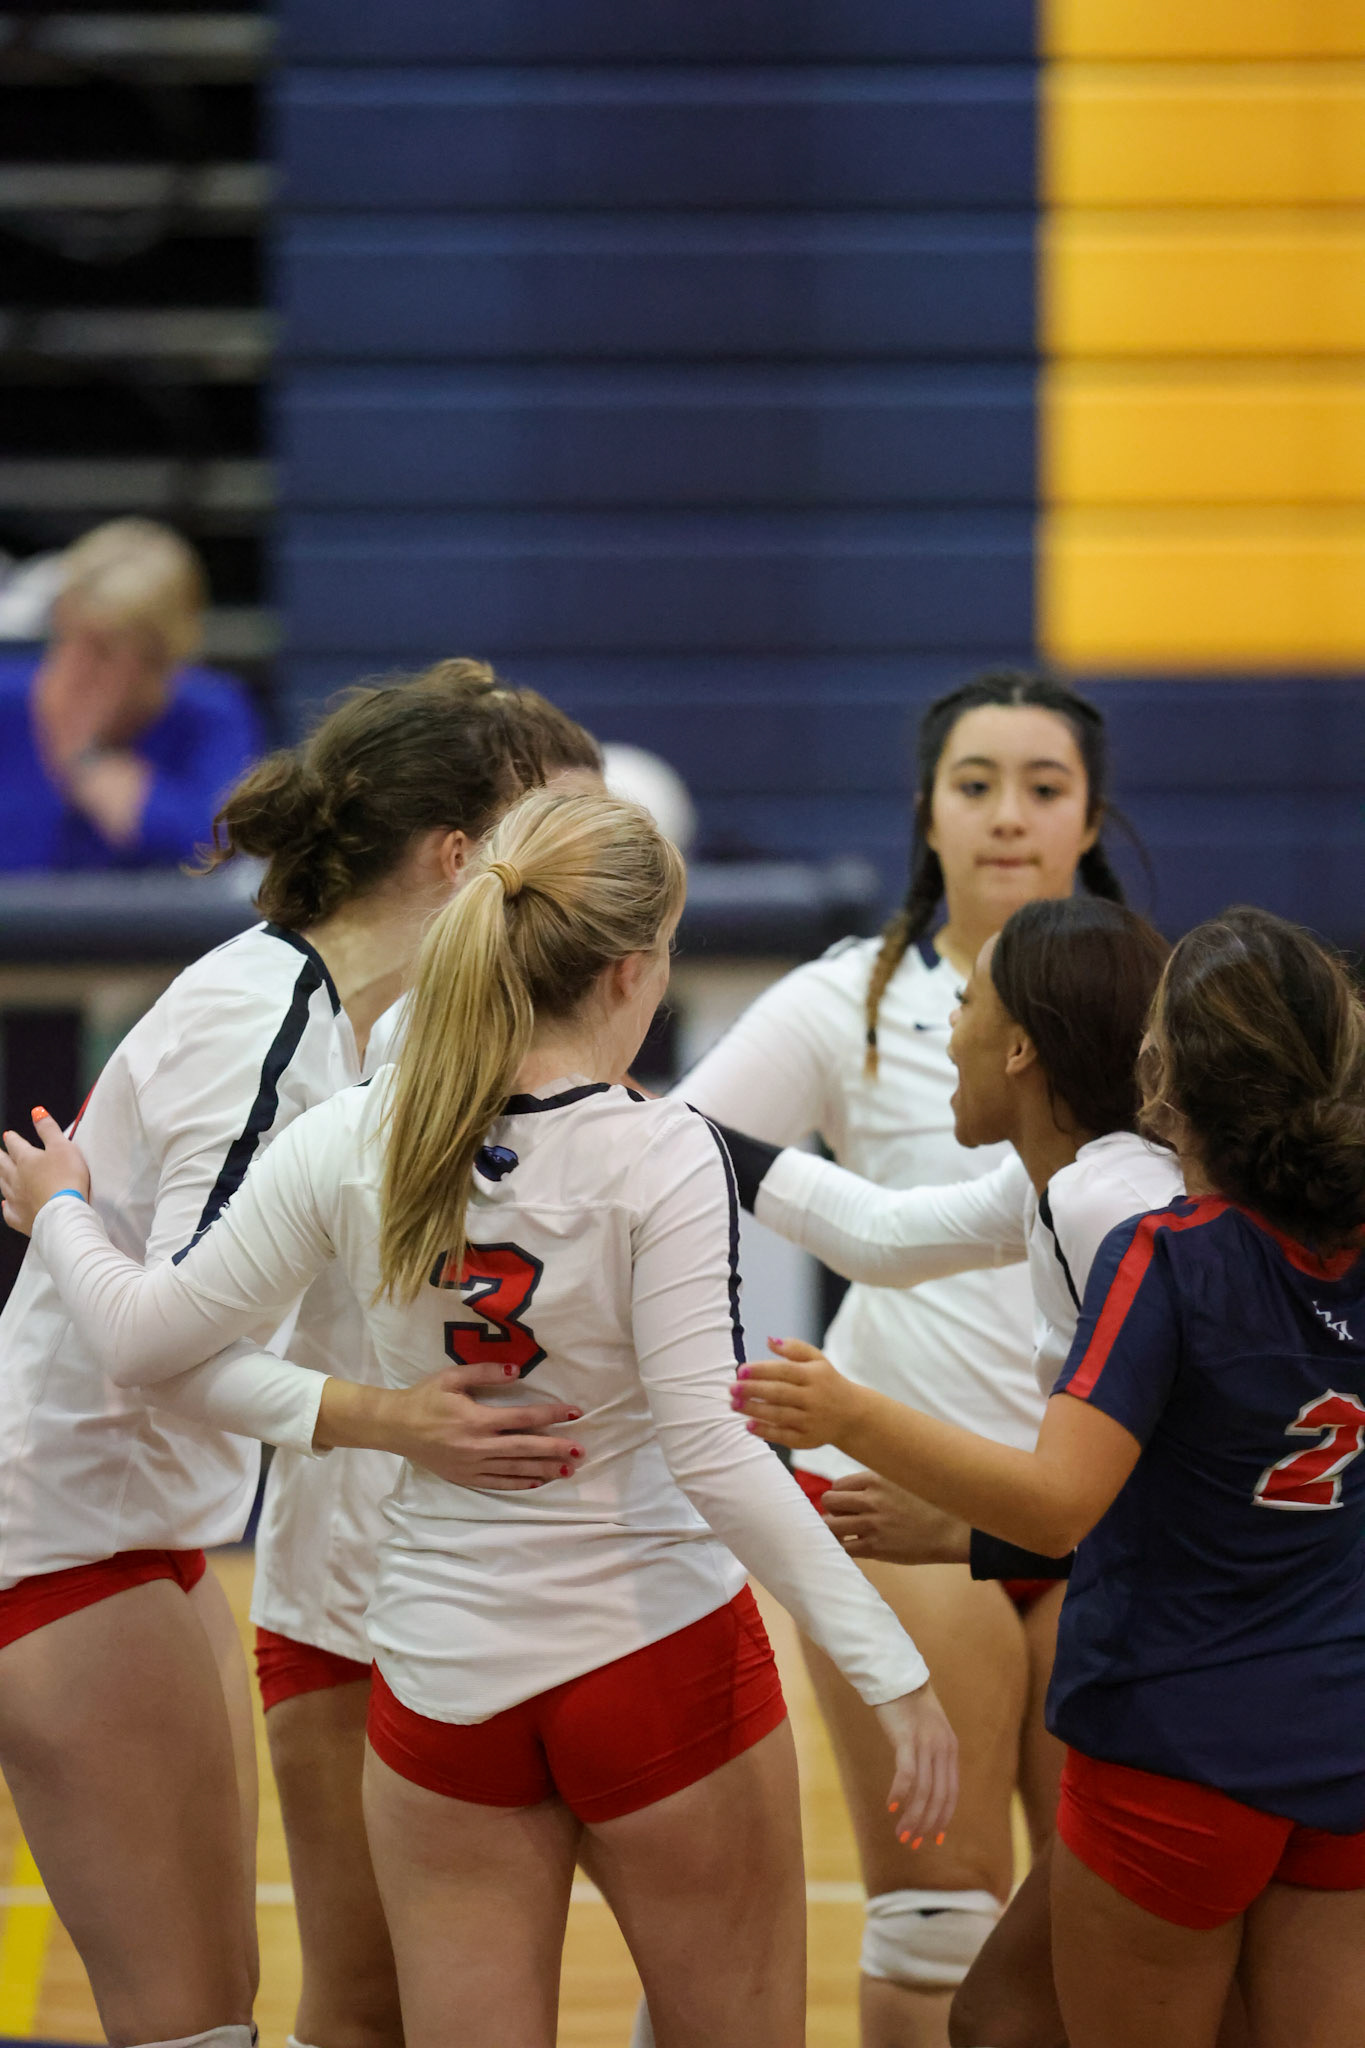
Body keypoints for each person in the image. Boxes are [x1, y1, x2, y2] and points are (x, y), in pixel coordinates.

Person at [5, 787, 960, 2048]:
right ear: (634, 970)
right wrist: (892, 1669)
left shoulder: (357, 1131)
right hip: (653, 1649)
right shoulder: (663, 1148)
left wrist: (64, 1207)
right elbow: (716, 1453)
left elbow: (144, 1338)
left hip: (441, 1680)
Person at [0, 663, 597, 2048]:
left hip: (144, 1528)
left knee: (216, 2016)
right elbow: (155, 1341)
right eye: (521, 856)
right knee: (193, 2025)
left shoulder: (344, 1023)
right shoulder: (261, 1015)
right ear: (456, 857)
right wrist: (398, 1421)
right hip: (68, 1538)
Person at [732, 906, 1365, 2048]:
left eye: (969, 1004)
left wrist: (851, 1413)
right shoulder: (1293, 1236)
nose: (955, 1027)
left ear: (1168, 1068)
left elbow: (1068, 1494)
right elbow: (879, 1229)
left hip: (1183, 1720)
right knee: (1009, 2008)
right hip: (1330, 1718)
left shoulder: (1154, 1236)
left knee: (997, 1999)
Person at [678, 669, 1127, 2044]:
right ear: (924, 817)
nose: (1006, 817)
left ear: (1090, 817)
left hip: (1097, 1501)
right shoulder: (844, 1002)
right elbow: (666, 1153)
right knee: (938, 1926)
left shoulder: (1141, 997)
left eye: (1041, 789)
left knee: (1104, 1920)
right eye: (973, 785)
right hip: (894, 1489)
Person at [0, 519, 262, 870]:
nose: (75, 666)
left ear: (162, 659)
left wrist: (95, 772)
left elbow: (227, 851)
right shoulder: (10, 702)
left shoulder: (211, 713)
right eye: (65, 638)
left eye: (103, 650)